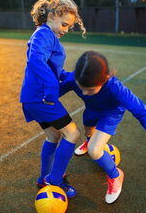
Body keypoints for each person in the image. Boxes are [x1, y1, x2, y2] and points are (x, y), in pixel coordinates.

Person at [20, 0, 86, 198]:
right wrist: (51, 89)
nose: (65, 29)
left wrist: (73, 77)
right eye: (64, 24)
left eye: (69, 26)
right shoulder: (44, 34)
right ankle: (55, 181)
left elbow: (51, 68)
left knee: (53, 135)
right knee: (73, 134)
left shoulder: (47, 35)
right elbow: (36, 61)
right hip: (41, 98)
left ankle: (44, 178)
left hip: (33, 99)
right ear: (51, 16)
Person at [59, 50, 146, 204]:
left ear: (105, 79)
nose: (85, 93)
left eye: (90, 90)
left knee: (94, 150)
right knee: (88, 131)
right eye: (81, 87)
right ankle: (88, 141)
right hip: (91, 111)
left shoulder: (115, 87)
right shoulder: (74, 79)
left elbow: (140, 110)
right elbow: (56, 92)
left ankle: (115, 175)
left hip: (110, 114)